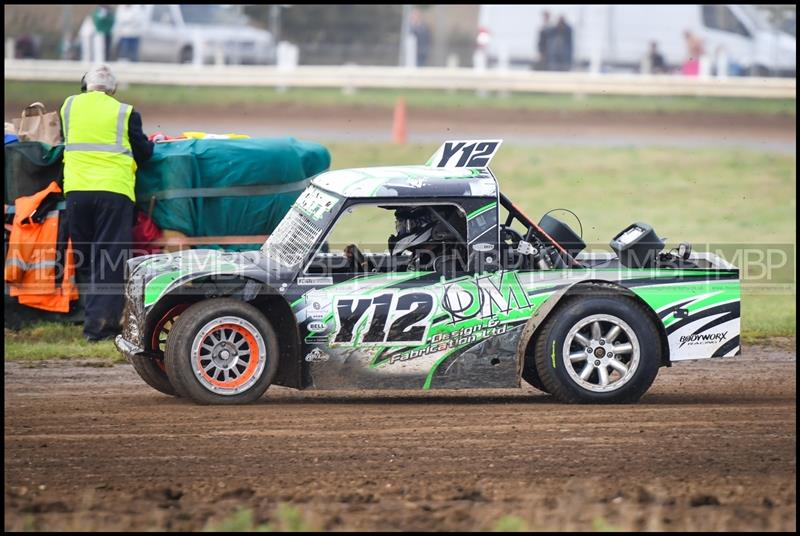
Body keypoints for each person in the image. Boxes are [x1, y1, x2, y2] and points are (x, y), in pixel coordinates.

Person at [60, 65, 154, 341]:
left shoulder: (68, 106)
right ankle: (101, 330)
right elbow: (144, 153)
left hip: (76, 192)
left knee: (87, 258)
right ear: (112, 90)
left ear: (84, 85)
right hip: (114, 192)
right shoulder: (124, 112)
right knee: (109, 262)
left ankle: (91, 322)